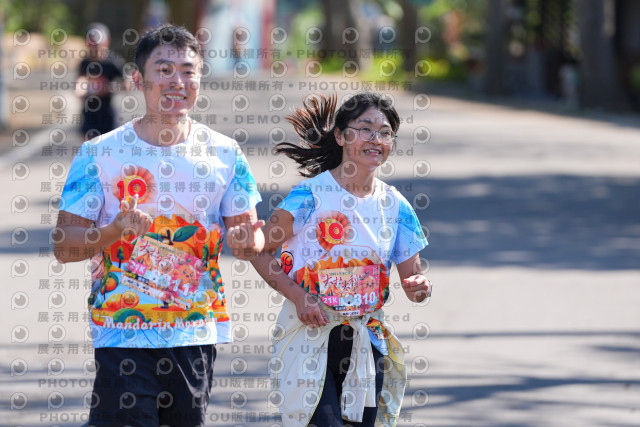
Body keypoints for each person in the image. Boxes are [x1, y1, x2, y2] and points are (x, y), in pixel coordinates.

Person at [55, 24, 263, 426]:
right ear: (138, 80)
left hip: (194, 332)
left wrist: (249, 240)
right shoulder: (99, 153)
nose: (177, 82)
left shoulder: (225, 154)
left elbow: (249, 239)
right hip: (121, 330)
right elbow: (64, 246)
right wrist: (112, 232)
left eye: (187, 71)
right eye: (164, 70)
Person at [233, 92, 431, 426]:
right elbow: (258, 250)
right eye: (365, 129)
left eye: (385, 133)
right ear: (340, 136)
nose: (376, 139)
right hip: (309, 338)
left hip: (366, 343)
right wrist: (299, 296)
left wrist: (420, 286)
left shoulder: (396, 206)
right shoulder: (310, 196)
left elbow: (414, 282)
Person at [75, 22, 125, 139]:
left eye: (97, 44)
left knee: (108, 147)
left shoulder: (114, 62)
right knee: (89, 147)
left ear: (107, 41)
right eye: (92, 44)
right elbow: (80, 82)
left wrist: (107, 87)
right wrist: (82, 88)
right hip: (89, 114)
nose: (95, 47)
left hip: (107, 114)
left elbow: (127, 83)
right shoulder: (85, 63)